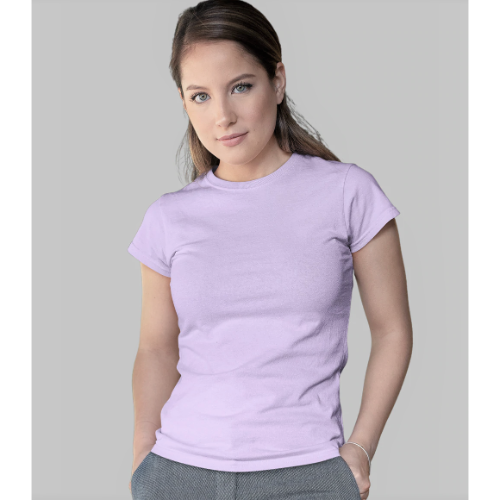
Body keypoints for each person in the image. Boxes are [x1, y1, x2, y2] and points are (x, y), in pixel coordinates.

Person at [126, 1, 413, 499]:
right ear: (184, 102)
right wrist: (142, 460)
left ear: (277, 81)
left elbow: (392, 331)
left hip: (309, 472)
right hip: (178, 473)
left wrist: (361, 450)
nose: (222, 116)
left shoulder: (348, 193)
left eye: (241, 86)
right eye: (200, 96)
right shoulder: (168, 217)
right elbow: (155, 347)